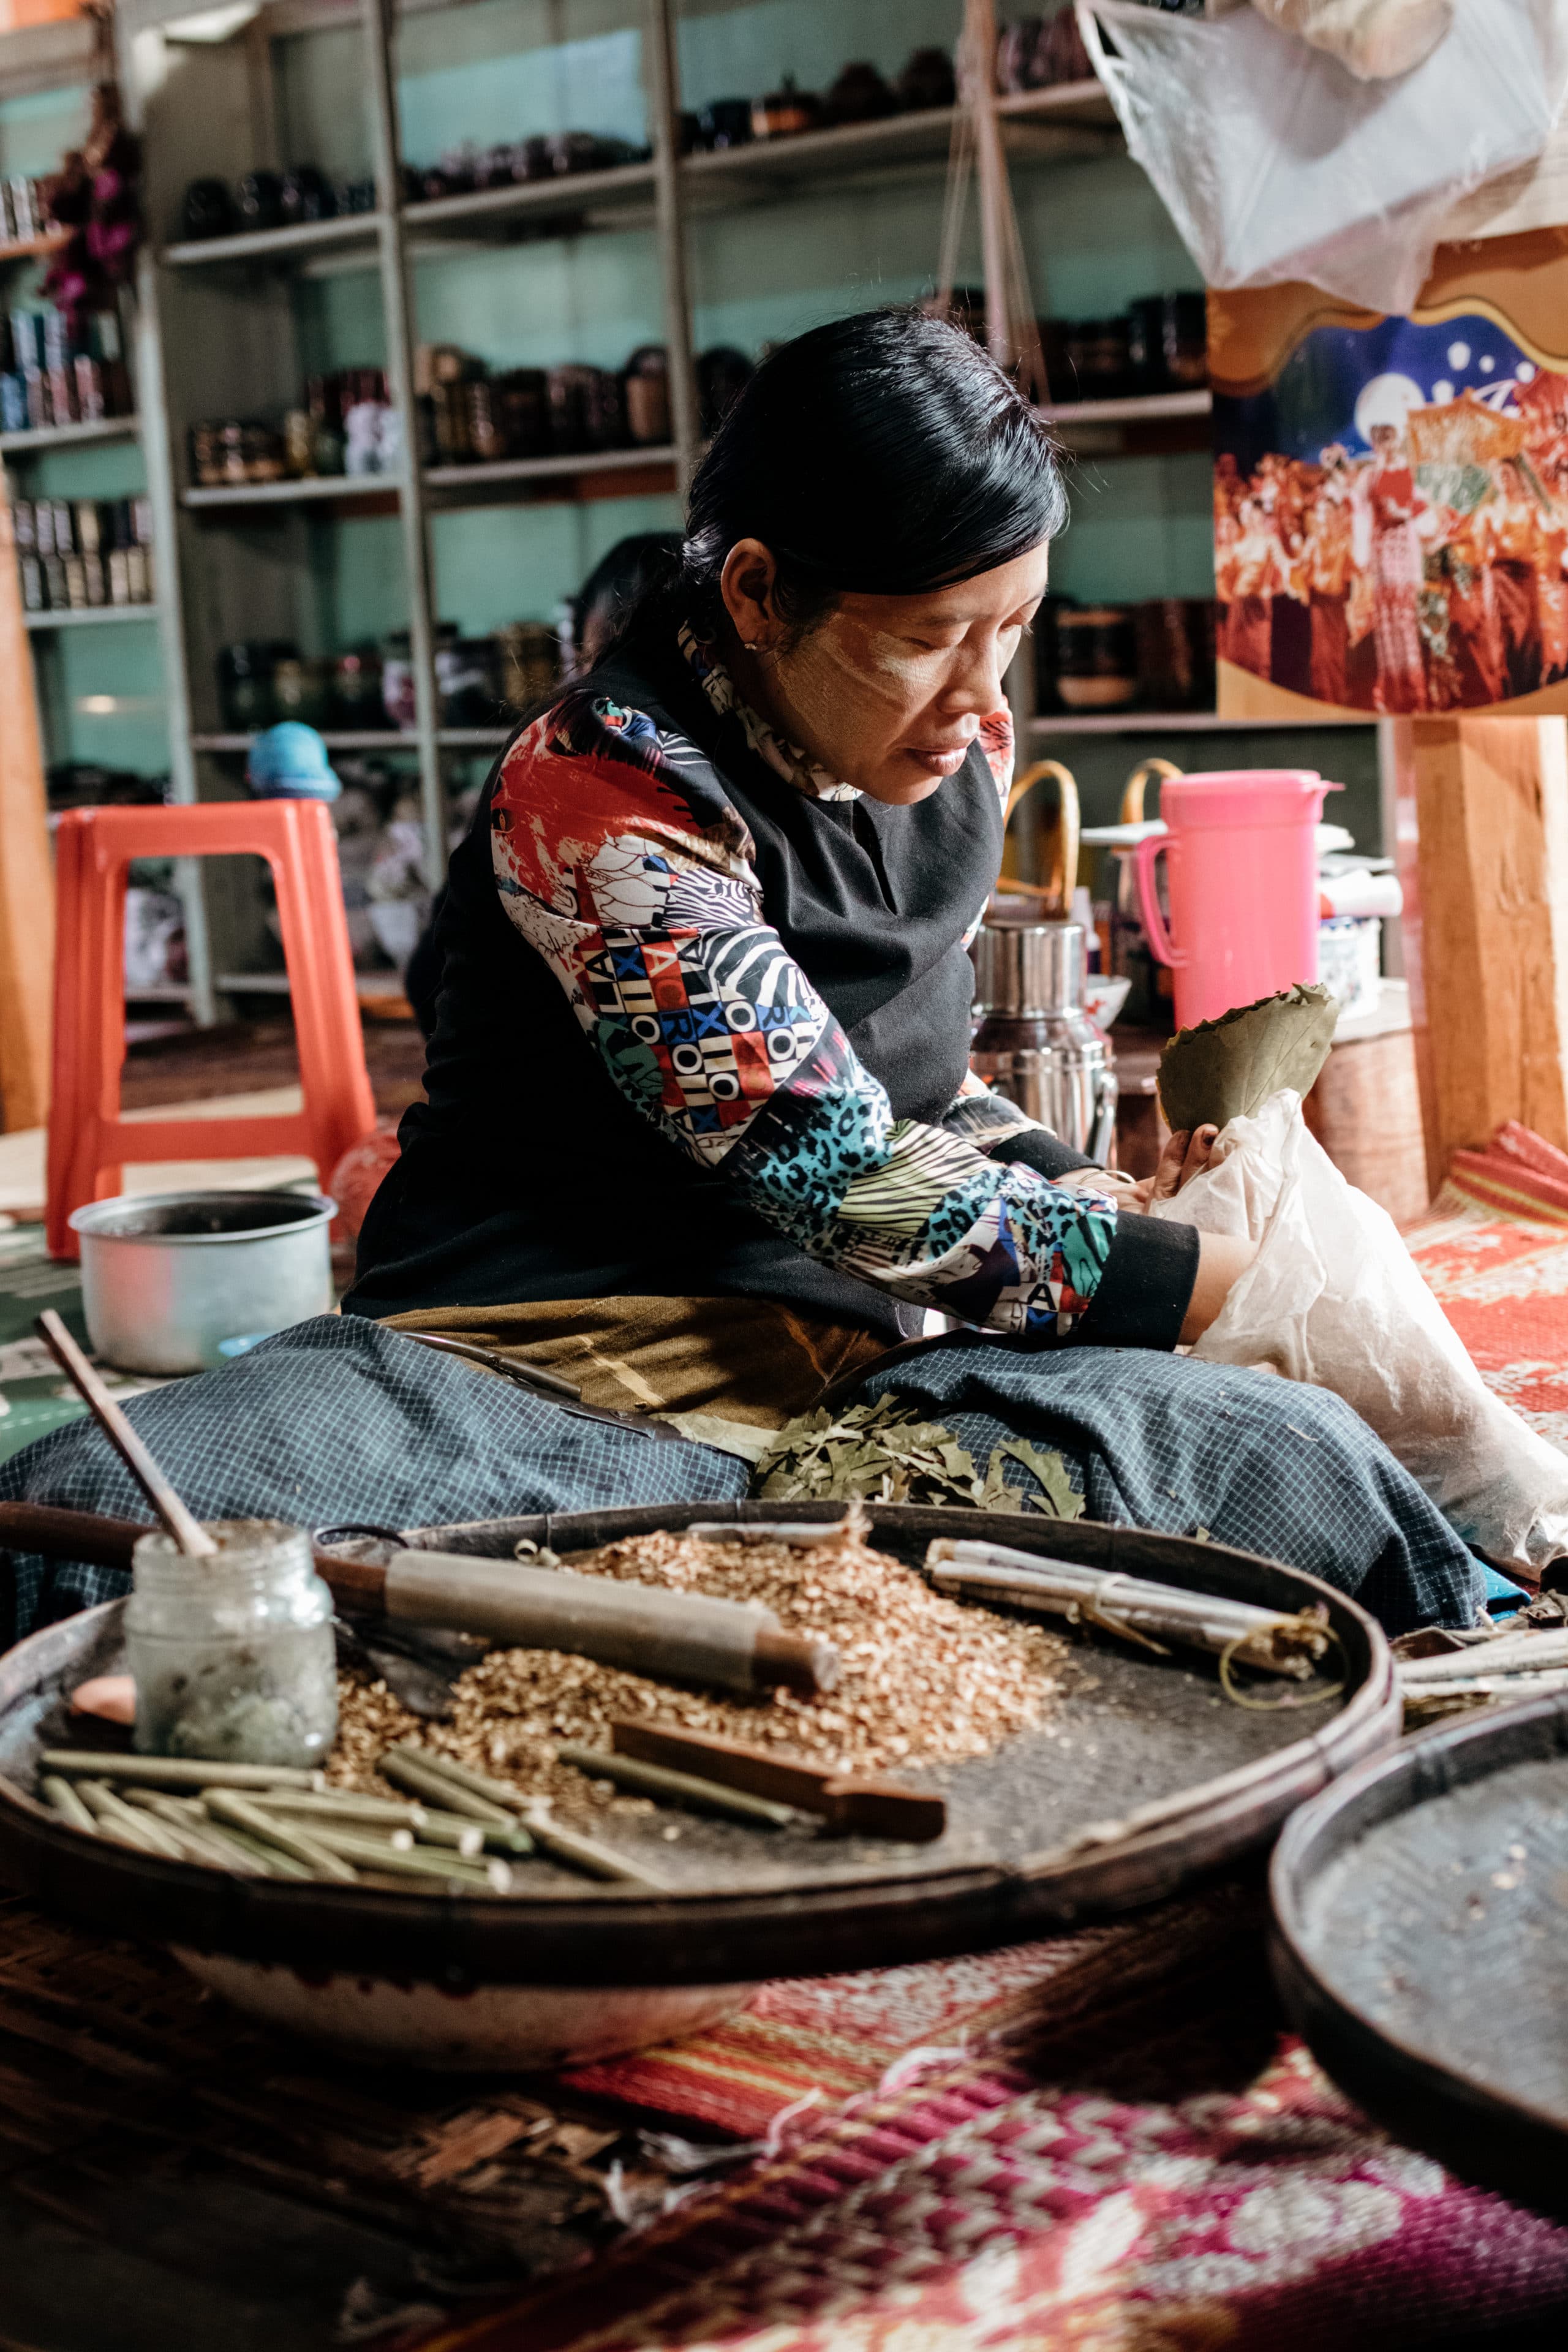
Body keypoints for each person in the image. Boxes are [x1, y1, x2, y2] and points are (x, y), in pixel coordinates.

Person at [0, 312, 1487, 1645]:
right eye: (928, 640)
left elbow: (921, 1079)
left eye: (1012, 629)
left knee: (1289, 1456)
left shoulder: (947, 750)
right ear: (761, 593)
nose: (980, 697)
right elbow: (838, 1177)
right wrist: (1210, 1284)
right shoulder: (599, 795)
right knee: (97, 1528)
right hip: (528, 1363)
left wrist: (1094, 1195)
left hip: (839, 1375)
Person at [1356, 419, 1430, 714]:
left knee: (1405, 619)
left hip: (1404, 546)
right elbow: (1360, 510)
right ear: (1375, 444)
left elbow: (1421, 506)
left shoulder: (1407, 473)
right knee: (1387, 622)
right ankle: (1393, 691)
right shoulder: (1369, 476)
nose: (1387, 446)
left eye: (1391, 440)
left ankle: (1416, 692)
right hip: (1382, 548)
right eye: (1381, 441)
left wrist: (1403, 511)